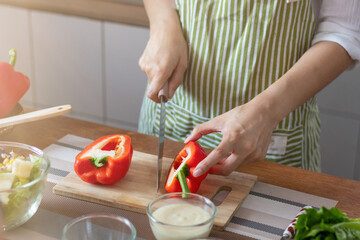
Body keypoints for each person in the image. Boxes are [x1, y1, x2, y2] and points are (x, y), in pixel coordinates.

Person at [138, 0, 360, 177]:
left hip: (273, 134)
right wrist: (163, 23)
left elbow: (345, 31)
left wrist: (266, 112)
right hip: (172, 114)